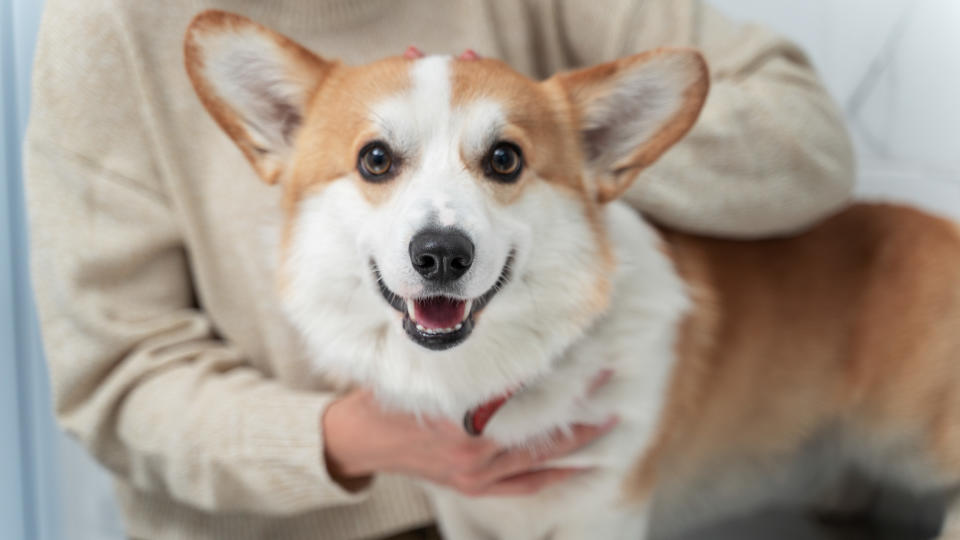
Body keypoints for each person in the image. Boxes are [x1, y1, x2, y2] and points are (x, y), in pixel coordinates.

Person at [23, 0, 854, 539]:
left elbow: (808, 141)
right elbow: (116, 380)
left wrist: (557, 145)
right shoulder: (109, 26)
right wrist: (348, 441)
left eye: (499, 160)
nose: (440, 237)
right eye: (378, 159)